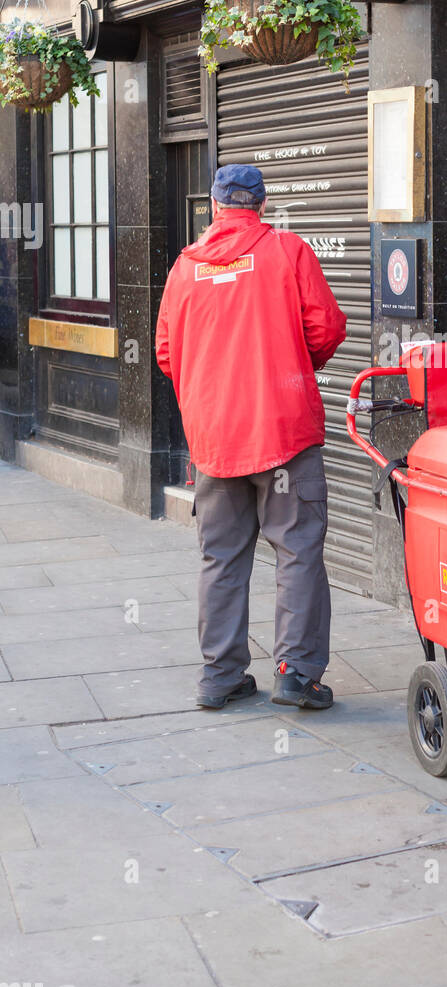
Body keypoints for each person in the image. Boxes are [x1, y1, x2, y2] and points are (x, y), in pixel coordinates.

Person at [155, 164, 346, 712]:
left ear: (216, 207)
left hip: (215, 439)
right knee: (298, 550)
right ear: (260, 205)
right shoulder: (288, 252)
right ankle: (297, 675)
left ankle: (220, 676)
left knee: (220, 557)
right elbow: (327, 328)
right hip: (284, 432)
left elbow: (167, 354)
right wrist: (288, 360)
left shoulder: (185, 268)